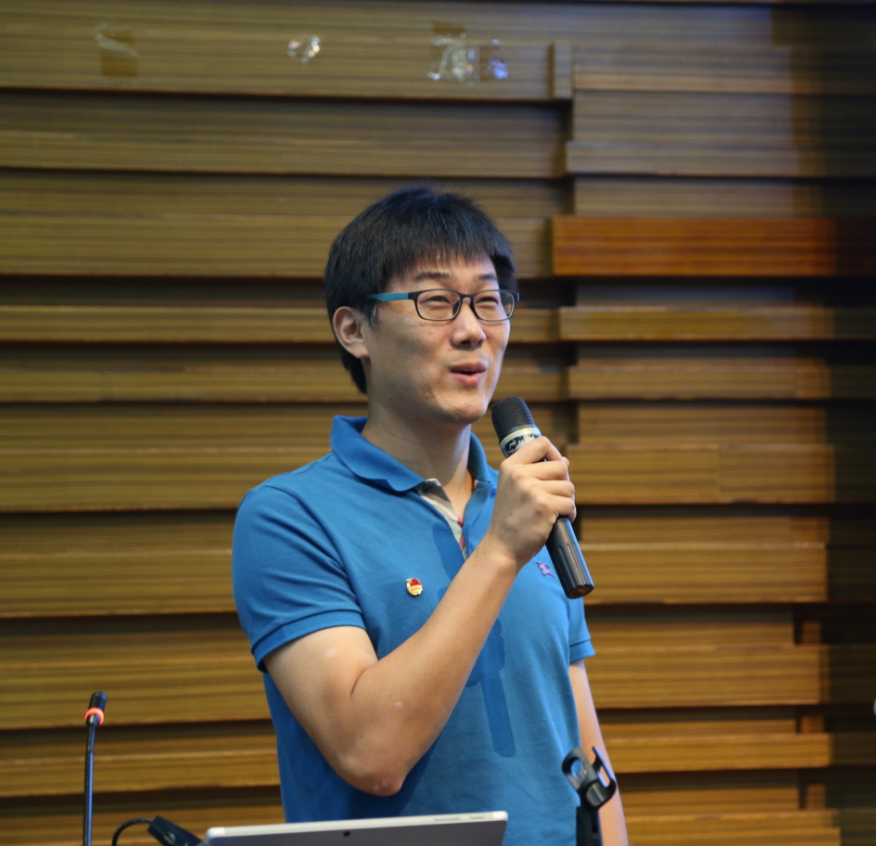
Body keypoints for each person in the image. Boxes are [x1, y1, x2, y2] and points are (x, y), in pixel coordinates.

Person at [232, 186, 629, 846]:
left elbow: (582, 743)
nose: (472, 330)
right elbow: (370, 754)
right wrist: (498, 551)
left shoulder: (523, 501)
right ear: (354, 330)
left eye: (488, 301)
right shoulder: (289, 517)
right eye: (436, 301)